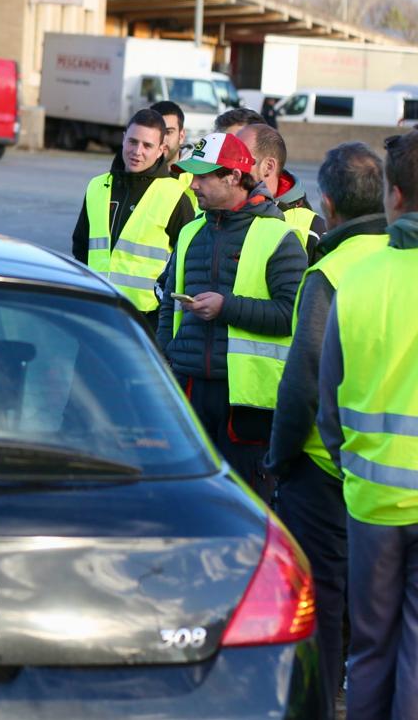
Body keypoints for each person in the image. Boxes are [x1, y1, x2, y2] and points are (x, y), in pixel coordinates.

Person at [267, 141, 388, 709]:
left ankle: (321, 703)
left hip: (322, 465)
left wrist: (279, 456)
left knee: (325, 595)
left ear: (329, 205)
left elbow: (302, 381)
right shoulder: (397, 260)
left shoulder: (329, 271)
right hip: (387, 468)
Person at [319, 131, 418, 720]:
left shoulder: (355, 277)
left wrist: (353, 463)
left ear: (395, 196)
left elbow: (327, 408)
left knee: (372, 648)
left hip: (370, 501)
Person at [157, 131, 306, 491]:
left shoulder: (278, 237)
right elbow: (167, 307)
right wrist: (165, 360)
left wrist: (227, 307)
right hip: (190, 390)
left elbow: (293, 315)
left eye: (203, 177)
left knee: (247, 502)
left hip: (247, 404)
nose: (192, 186)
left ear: (234, 177)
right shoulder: (191, 232)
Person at [70, 107, 195, 334]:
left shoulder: (174, 196)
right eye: (133, 142)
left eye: (147, 146)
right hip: (99, 309)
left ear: (161, 150)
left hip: (147, 320)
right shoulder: (97, 186)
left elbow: (190, 262)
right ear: (123, 138)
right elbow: (81, 247)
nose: (137, 151)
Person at [236, 122, 326, 262]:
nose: (230, 167)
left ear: (268, 167)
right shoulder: (216, 212)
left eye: (239, 159)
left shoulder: (313, 228)